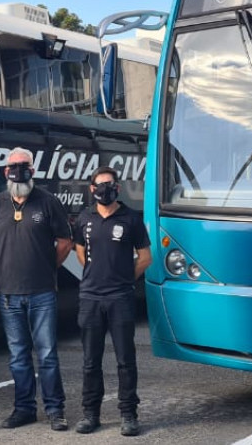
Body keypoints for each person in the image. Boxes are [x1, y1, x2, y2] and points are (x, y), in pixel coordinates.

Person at [0, 147, 73, 432]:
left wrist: (47, 267)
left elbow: (65, 242)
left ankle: (55, 410)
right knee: (18, 356)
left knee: (47, 354)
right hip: (8, 294)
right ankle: (24, 409)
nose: (18, 171)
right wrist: (7, 267)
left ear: (33, 170)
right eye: (13, 166)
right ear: (5, 172)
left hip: (42, 292)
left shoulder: (48, 202)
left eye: (24, 165)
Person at [72, 167, 151, 436]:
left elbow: (145, 258)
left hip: (120, 298)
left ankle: (129, 415)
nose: (105, 189)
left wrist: (125, 279)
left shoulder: (131, 218)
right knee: (90, 362)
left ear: (117, 187)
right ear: (92, 188)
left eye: (109, 184)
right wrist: (94, 274)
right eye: (100, 184)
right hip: (90, 298)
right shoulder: (85, 217)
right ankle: (90, 414)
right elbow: (80, 250)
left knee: (125, 360)